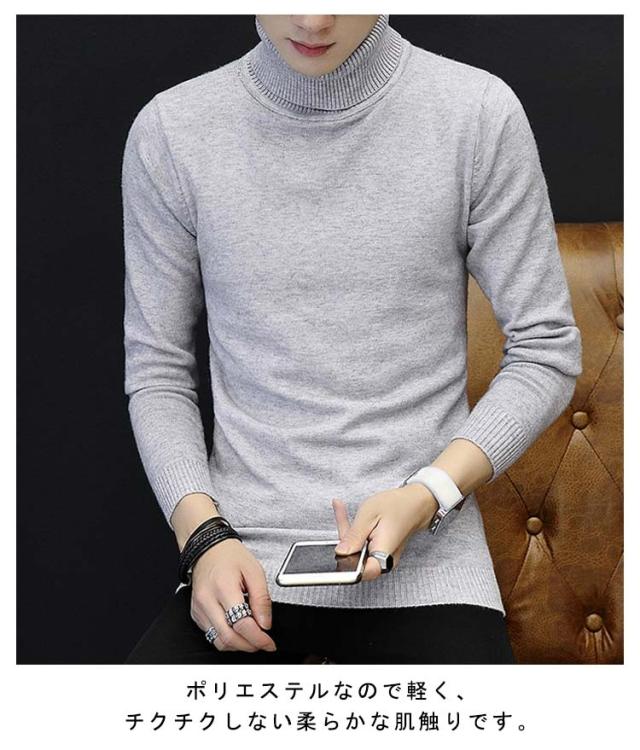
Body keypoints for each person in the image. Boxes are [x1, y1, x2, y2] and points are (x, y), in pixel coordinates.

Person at [122, 14, 582, 664]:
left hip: (432, 569)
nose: (314, 19)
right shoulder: (172, 131)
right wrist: (203, 540)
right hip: (240, 562)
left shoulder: (476, 113)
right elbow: (158, 371)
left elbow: (546, 349)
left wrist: (429, 493)